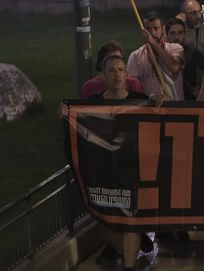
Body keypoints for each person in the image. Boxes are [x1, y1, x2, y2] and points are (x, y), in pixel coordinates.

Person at [62, 55, 151, 270]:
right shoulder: (92, 103)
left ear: (127, 74)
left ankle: (130, 265)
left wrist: (160, 103)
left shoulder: (141, 99)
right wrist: (66, 113)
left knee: (131, 221)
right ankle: (126, 252)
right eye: (111, 70)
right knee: (107, 220)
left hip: (132, 172)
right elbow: (76, 122)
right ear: (103, 75)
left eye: (121, 69)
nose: (117, 74)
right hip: (104, 173)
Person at [127, 11, 183, 101]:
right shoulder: (135, 56)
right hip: (149, 108)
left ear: (163, 29)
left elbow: (174, 67)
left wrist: (153, 43)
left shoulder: (175, 48)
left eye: (156, 28)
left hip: (175, 106)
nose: (152, 33)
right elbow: (134, 88)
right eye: (148, 29)